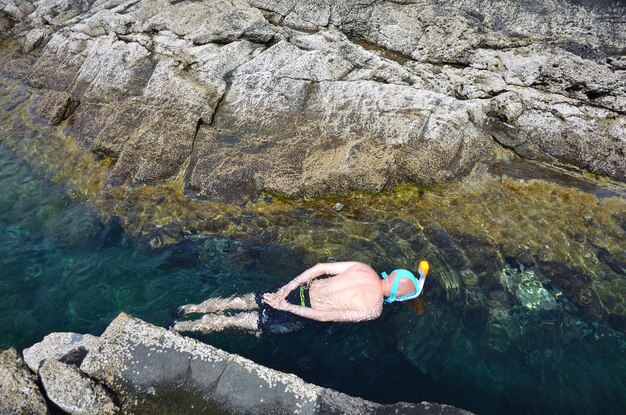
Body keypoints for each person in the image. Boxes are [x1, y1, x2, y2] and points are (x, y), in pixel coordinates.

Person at [172, 260, 430, 335]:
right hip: (298, 311)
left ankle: (188, 308)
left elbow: (319, 268)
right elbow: (323, 315)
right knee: (238, 322)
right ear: (397, 297)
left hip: (299, 290)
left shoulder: (363, 267)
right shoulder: (373, 309)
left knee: (239, 301)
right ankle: (182, 328)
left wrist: (287, 288)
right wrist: (287, 306)